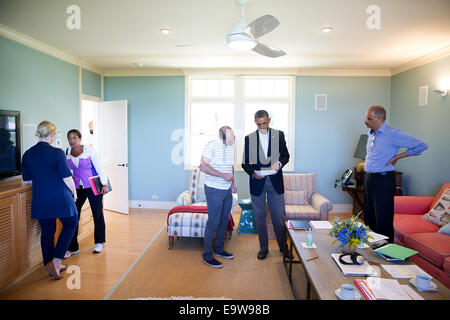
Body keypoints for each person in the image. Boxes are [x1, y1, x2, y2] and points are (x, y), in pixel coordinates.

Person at [21, 121, 78, 280]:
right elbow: (67, 178)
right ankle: (57, 260)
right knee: (71, 223)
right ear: (52, 135)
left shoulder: (28, 154)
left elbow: (27, 181)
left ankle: (49, 263)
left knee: (47, 231)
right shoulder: (57, 152)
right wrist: (74, 193)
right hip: (60, 197)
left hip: (41, 199)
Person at [363, 105, 428, 243]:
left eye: (369, 118)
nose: (365, 121)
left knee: (383, 220)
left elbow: (422, 145)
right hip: (369, 179)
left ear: (380, 119)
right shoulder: (371, 133)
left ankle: (386, 255)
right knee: (369, 218)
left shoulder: (393, 134)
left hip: (384, 180)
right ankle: (371, 251)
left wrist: (398, 157)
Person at [242, 110, 290, 260]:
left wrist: (279, 163)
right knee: (260, 217)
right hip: (257, 182)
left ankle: (284, 248)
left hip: (275, 182)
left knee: (279, 217)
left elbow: (286, 155)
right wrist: (253, 173)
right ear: (255, 122)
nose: (262, 127)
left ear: (269, 120)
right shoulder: (249, 138)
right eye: (258, 124)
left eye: (264, 123)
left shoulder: (279, 134)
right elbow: (245, 163)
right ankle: (263, 248)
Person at [64, 129, 109, 258]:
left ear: (80, 138)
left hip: (92, 185)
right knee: (74, 216)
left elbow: (99, 167)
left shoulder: (89, 150)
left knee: (97, 213)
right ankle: (73, 247)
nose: (72, 141)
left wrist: (104, 183)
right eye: (70, 138)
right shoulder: (66, 152)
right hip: (77, 188)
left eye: (74, 138)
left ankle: (99, 242)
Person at [199, 126, 237, 268]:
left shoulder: (229, 147)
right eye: (231, 136)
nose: (233, 139)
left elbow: (230, 167)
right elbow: (203, 166)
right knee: (213, 222)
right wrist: (223, 176)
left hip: (226, 190)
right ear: (223, 136)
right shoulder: (212, 145)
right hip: (214, 190)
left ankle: (219, 249)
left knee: (223, 220)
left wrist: (232, 182)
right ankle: (207, 256)